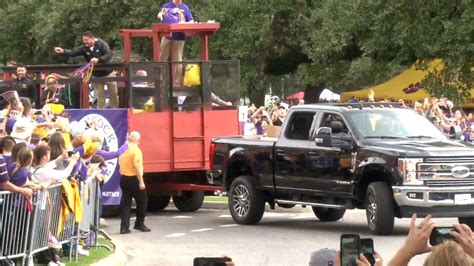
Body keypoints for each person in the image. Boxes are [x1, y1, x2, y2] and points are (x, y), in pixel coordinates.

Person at [54, 31, 118, 108]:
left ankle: (115, 109)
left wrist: (99, 59)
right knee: (100, 95)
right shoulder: (84, 48)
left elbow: (108, 54)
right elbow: (73, 52)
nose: (84, 42)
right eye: (83, 40)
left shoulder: (102, 44)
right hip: (97, 75)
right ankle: (101, 111)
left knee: (113, 93)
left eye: (86, 40)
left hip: (109, 73)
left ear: (92, 39)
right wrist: (63, 51)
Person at [118, 131, 150, 234]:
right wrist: (141, 182)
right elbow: (137, 167)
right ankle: (139, 223)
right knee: (142, 201)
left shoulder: (123, 150)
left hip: (124, 177)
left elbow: (119, 162)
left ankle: (124, 227)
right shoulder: (136, 151)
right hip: (134, 179)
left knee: (126, 203)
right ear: (139, 140)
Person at [157, 0, 194, 87]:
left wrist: (183, 23)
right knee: (162, 57)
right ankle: (161, 81)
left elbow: (191, 21)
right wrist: (161, 15)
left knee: (178, 60)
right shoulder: (167, 5)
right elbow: (159, 15)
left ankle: (177, 83)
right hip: (166, 36)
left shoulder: (185, 7)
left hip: (179, 36)